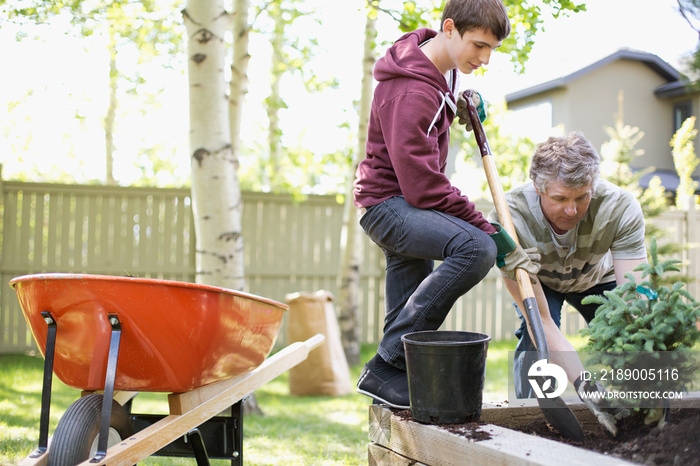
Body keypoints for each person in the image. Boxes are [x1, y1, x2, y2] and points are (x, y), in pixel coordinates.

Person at [353, 0, 538, 410]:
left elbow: (439, 102)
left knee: (405, 308)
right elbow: (423, 187)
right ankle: (384, 365)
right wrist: (490, 229)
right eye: (479, 46)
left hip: (402, 202)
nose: (485, 58)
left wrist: (463, 101)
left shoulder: (442, 66)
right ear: (450, 28)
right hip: (390, 204)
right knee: (477, 248)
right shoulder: (410, 89)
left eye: (492, 49)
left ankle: (391, 391)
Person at [488, 131, 647, 435]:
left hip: (596, 278)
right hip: (542, 281)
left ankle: (639, 417)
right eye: (560, 199)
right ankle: (526, 420)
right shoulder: (509, 218)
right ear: (538, 188)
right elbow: (543, 322)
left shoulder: (620, 208)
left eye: (582, 197)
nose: (572, 210)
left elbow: (634, 298)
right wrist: (587, 386)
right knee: (532, 336)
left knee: (626, 332)